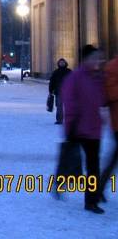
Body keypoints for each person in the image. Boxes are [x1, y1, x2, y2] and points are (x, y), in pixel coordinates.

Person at [61, 44, 106, 214]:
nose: (98, 61)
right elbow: (70, 102)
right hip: (79, 127)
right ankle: (61, 183)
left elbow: (102, 99)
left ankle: (92, 200)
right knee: (76, 163)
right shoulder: (76, 77)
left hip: (94, 128)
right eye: (94, 58)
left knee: (93, 166)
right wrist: (70, 125)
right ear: (86, 59)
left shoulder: (97, 77)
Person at [100, 55, 118, 199]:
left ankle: (99, 188)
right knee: (113, 159)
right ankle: (99, 188)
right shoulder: (112, 67)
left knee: (114, 159)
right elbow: (109, 94)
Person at [48, 58, 71, 124]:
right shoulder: (56, 72)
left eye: (63, 62)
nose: (62, 63)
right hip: (58, 92)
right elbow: (52, 82)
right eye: (60, 62)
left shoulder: (69, 71)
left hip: (68, 92)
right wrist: (50, 90)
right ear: (58, 63)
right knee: (59, 107)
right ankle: (59, 120)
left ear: (65, 63)